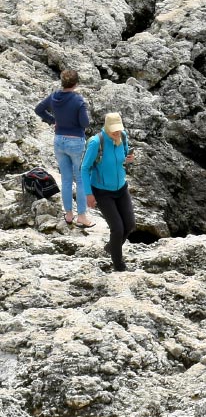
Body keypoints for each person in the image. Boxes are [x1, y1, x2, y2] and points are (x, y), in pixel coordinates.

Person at [34, 69, 92, 226]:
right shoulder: (78, 100)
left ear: (62, 82)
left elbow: (38, 109)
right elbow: (85, 123)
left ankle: (68, 215)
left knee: (66, 179)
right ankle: (82, 216)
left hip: (59, 141)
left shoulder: (54, 97)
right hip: (75, 142)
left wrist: (53, 120)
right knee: (79, 179)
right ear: (76, 83)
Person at [82, 112, 136, 272]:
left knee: (130, 225)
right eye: (114, 130)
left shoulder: (123, 137)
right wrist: (88, 194)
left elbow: (124, 156)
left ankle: (111, 247)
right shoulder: (96, 143)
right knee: (117, 229)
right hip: (102, 191)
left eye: (118, 129)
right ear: (106, 127)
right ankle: (119, 266)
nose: (116, 132)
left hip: (121, 187)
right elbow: (84, 169)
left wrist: (129, 160)